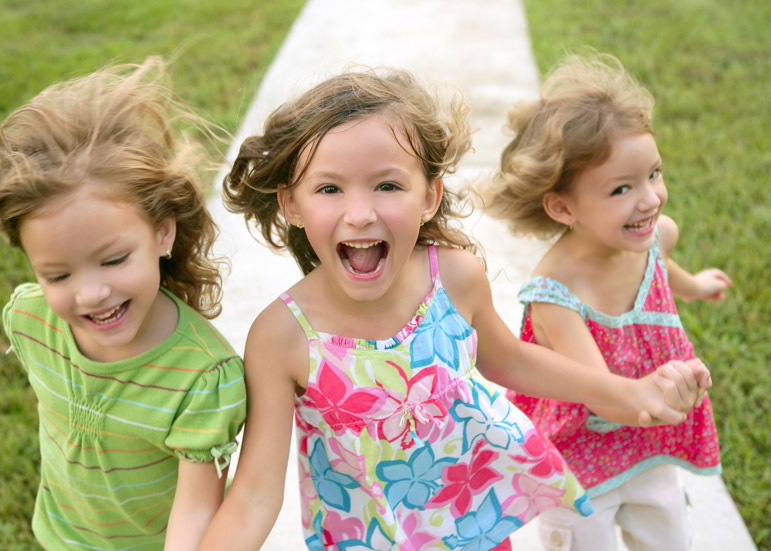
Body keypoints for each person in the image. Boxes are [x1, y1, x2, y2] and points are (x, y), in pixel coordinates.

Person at [197, 67, 710, 551]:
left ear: (429, 196)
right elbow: (256, 495)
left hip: (475, 526)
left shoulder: (455, 278)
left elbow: (510, 359)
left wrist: (630, 392)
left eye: (388, 185)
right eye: (329, 188)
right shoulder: (282, 335)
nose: (360, 213)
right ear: (291, 205)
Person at [0, 57, 246, 551]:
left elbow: (197, 508)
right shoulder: (30, 320)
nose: (91, 293)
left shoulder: (203, 378)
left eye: (114, 259)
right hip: (59, 537)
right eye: (58, 274)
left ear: (163, 231)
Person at [482, 52, 732, 551]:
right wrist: (664, 390)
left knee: (667, 534)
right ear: (562, 206)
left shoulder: (656, 235)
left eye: (654, 174)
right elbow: (600, 395)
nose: (649, 199)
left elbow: (666, 273)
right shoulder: (555, 292)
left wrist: (697, 285)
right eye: (622, 188)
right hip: (582, 464)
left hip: (646, 445)